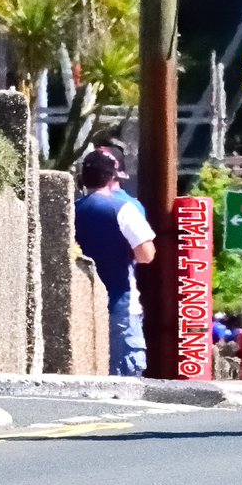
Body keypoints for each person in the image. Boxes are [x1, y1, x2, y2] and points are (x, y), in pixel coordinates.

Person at [74, 149, 156, 376]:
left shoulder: (73, 210)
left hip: (85, 303)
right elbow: (146, 254)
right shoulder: (124, 209)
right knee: (125, 372)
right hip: (121, 302)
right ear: (112, 177)